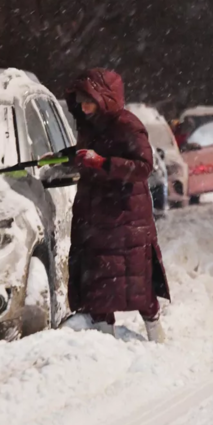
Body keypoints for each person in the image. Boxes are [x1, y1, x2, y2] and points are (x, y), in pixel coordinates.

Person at [63, 68, 170, 343]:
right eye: (80, 102)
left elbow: (143, 166)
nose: (83, 108)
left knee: (136, 278)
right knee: (97, 280)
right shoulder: (88, 125)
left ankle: (154, 327)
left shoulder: (127, 125)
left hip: (125, 215)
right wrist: (67, 158)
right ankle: (105, 340)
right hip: (94, 215)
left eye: (88, 101)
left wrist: (103, 163)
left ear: (104, 98)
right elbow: (86, 155)